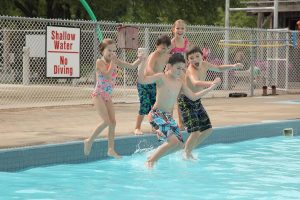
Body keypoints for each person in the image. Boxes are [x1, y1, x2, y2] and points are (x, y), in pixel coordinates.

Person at [138, 53, 221, 168]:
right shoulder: (161, 77)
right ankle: (150, 161)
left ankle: (154, 155)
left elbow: (193, 96)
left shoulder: (179, 82)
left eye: (182, 69)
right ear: (169, 66)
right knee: (173, 142)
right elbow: (142, 80)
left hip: (168, 117)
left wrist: (210, 88)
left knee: (180, 145)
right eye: (178, 68)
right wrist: (142, 62)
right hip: (157, 114)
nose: (180, 71)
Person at [178, 46, 243, 160]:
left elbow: (218, 68)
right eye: (191, 58)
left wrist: (233, 66)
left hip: (196, 100)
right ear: (188, 60)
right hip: (186, 101)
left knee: (208, 130)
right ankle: (186, 154)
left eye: (197, 56)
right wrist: (212, 83)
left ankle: (187, 149)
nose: (195, 60)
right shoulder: (190, 70)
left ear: (202, 56)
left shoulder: (205, 64)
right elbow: (196, 82)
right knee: (196, 131)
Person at [84, 38, 145, 158]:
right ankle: (89, 140)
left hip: (107, 96)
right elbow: (106, 75)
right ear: (102, 51)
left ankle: (111, 149)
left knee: (113, 122)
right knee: (106, 121)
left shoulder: (114, 61)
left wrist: (140, 60)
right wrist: (113, 62)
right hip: (98, 95)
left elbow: (131, 66)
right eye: (109, 50)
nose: (112, 53)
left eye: (114, 50)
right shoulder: (99, 62)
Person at [134, 35, 171, 135]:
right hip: (144, 83)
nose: (165, 50)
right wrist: (157, 76)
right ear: (156, 46)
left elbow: (170, 67)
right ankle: (137, 127)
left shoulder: (166, 56)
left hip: (154, 83)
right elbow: (149, 68)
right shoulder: (154, 55)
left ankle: (154, 127)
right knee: (145, 105)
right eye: (163, 48)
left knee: (155, 105)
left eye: (167, 48)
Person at [170, 19, 190, 130]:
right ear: (173, 29)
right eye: (178, 28)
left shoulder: (186, 42)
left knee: (181, 99)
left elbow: (187, 58)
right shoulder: (172, 43)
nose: (180, 30)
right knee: (171, 98)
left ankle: (181, 123)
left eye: (182, 28)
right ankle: (169, 122)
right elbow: (167, 57)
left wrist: (187, 70)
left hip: (182, 72)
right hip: (173, 72)